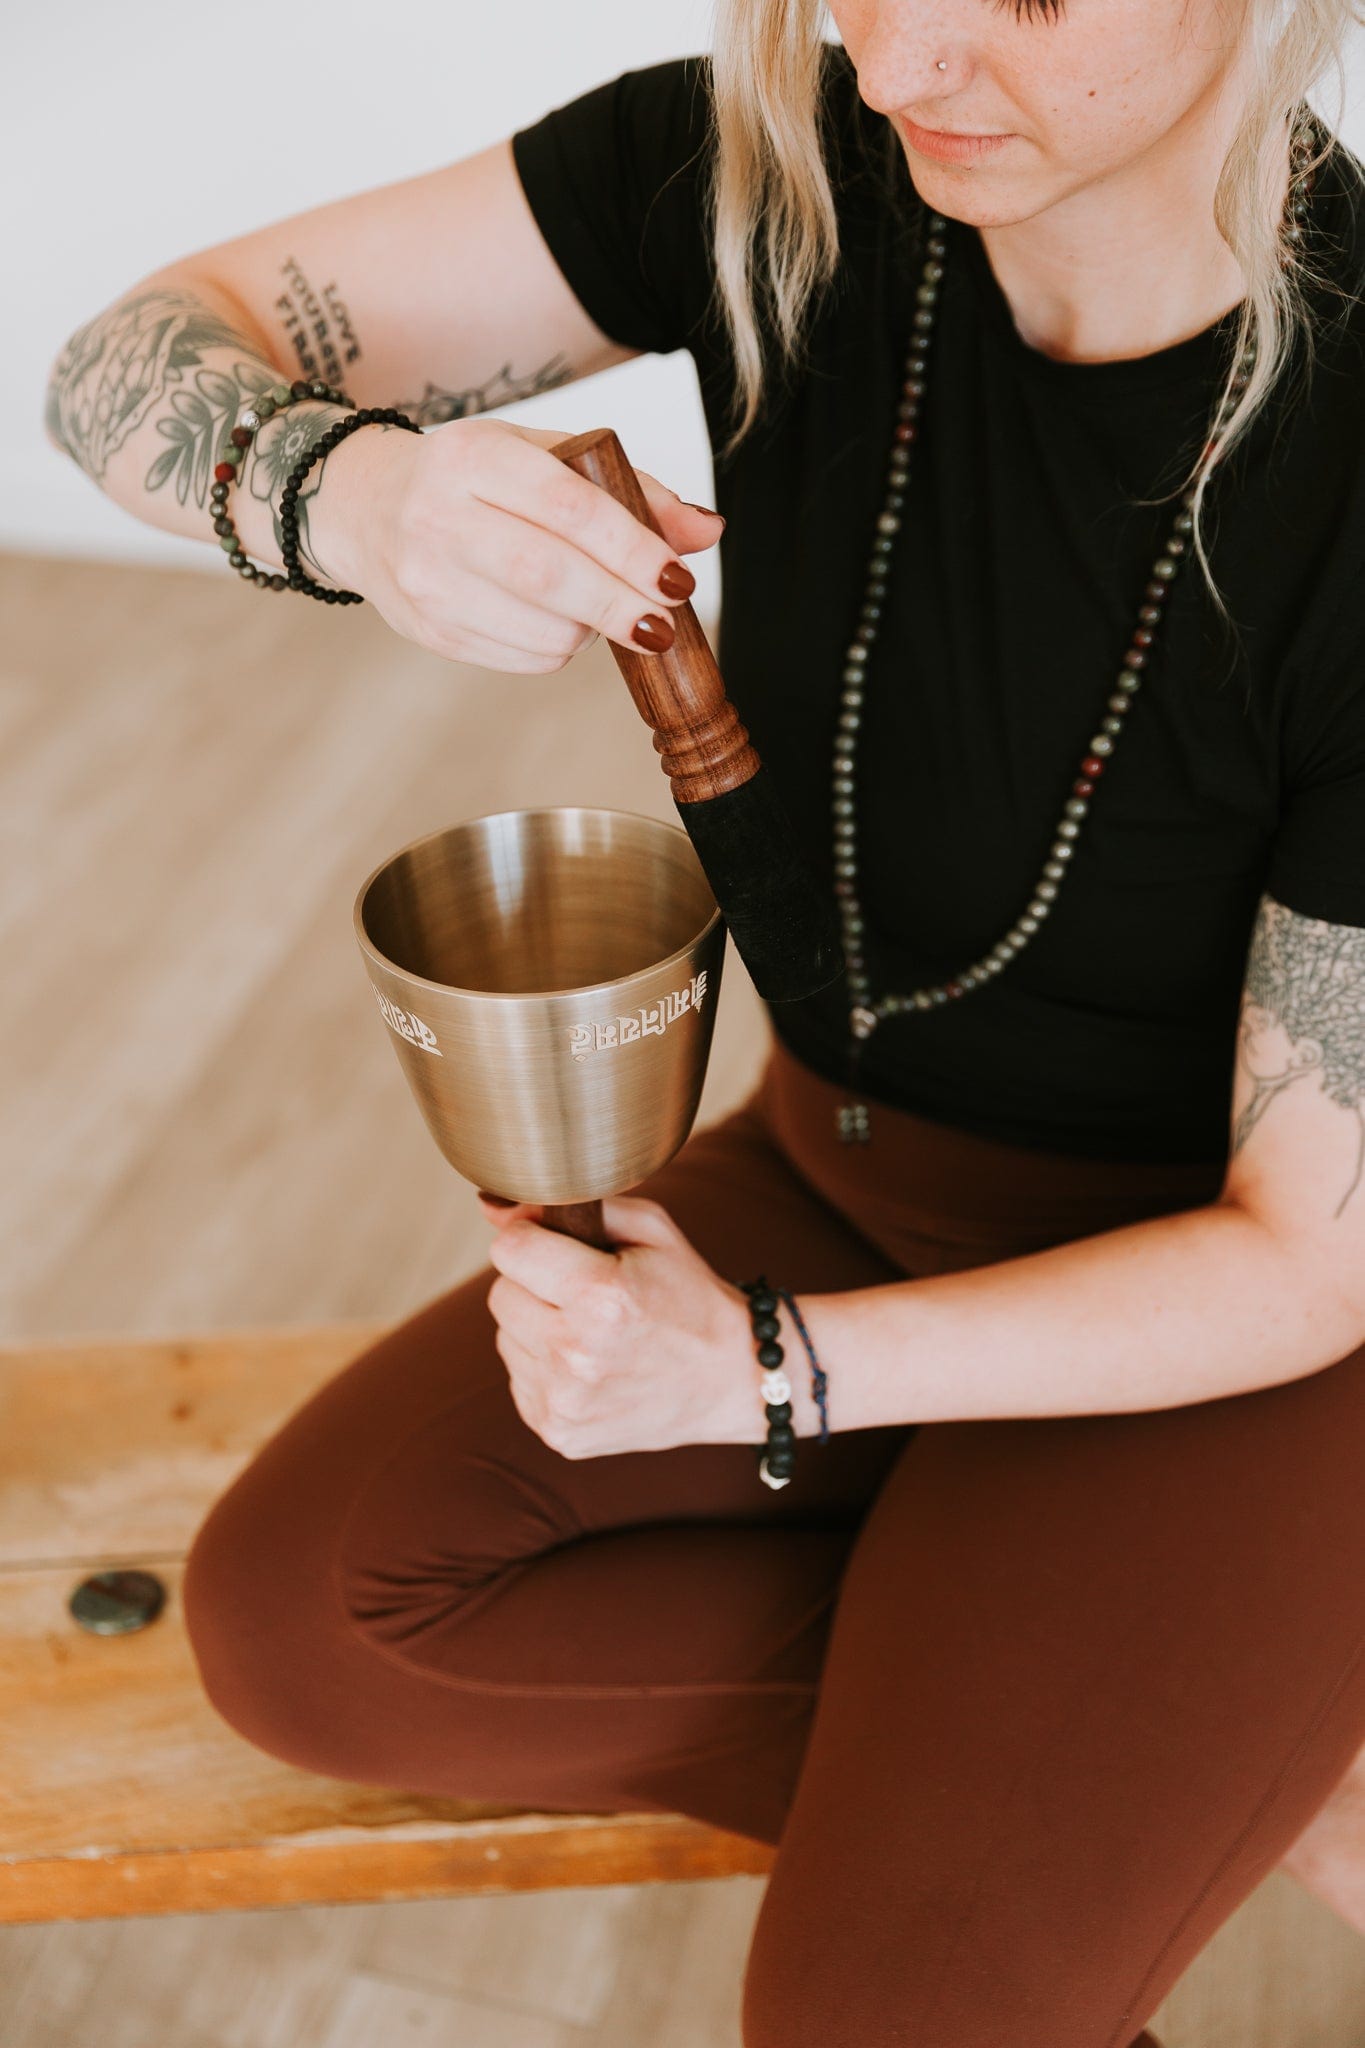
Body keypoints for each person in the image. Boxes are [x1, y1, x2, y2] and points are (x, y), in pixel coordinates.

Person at [43, 2, 1365, 2041]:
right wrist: (354, 501)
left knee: (872, 2016)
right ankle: (1210, 1746)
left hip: (1227, 1338)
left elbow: (1302, 1259)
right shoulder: (776, 174)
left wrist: (762, 1372)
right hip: (843, 1163)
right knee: (308, 1628)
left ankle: (1159, 1724)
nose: (900, 52)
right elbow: (132, 349)